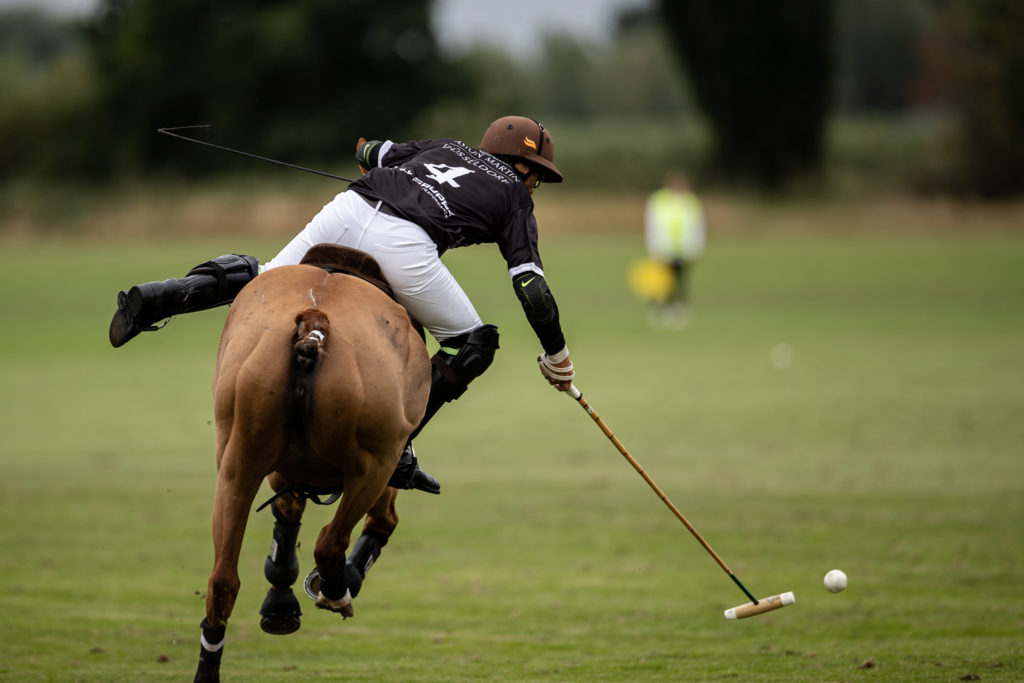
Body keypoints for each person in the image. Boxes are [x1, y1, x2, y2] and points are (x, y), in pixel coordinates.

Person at [108, 115, 577, 494]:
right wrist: (557, 356)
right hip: (407, 244)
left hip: (349, 209)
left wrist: (374, 162)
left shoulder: (447, 146)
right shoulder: (515, 195)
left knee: (267, 278)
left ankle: (160, 296)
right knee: (475, 342)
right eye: (538, 178)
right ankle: (397, 449)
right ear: (524, 168)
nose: (534, 187)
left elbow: (370, 151)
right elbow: (531, 286)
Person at [642, 169, 706, 327]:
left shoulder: (691, 201)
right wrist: (652, 245)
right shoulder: (658, 199)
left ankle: (677, 308)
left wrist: (697, 246)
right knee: (662, 280)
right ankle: (658, 307)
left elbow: (699, 225)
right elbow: (651, 223)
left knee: (680, 279)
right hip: (664, 246)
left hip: (684, 248)